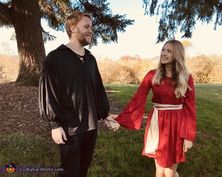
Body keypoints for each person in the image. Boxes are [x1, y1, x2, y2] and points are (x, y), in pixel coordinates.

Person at [39, 11, 110, 177]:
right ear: (73, 28)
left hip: (91, 128)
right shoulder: (55, 58)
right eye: (86, 26)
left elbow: (97, 90)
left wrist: (105, 115)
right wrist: (54, 124)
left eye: (91, 27)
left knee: (83, 170)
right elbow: (48, 92)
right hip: (69, 128)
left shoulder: (90, 59)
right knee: (69, 172)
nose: (91, 30)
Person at [111, 40, 196, 177]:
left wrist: (189, 136)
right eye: (163, 50)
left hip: (176, 124)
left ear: (177, 55)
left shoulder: (185, 77)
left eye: (169, 51)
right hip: (157, 123)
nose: (164, 53)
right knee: (159, 171)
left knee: (169, 172)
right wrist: (121, 120)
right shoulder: (152, 74)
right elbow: (138, 99)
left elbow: (190, 107)